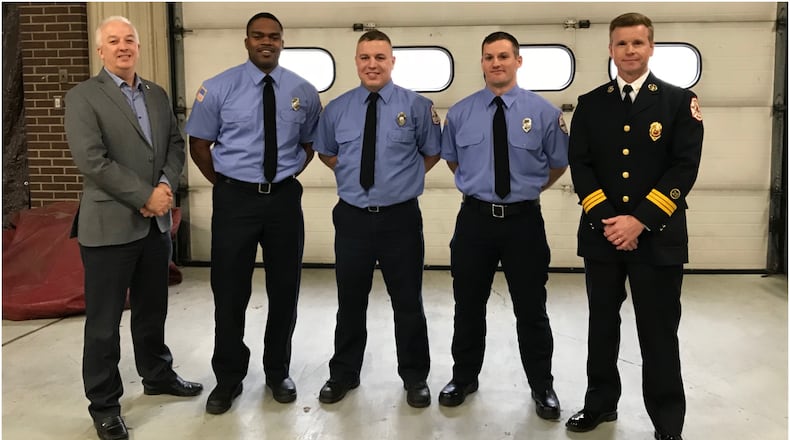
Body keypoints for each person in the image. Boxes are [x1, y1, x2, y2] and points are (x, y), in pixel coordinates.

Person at [564, 12, 703, 440]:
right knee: (602, 327)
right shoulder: (590, 103)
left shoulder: (679, 102)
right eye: (621, 44)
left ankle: (667, 423)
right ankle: (600, 404)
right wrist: (611, 221)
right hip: (603, 236)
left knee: (659, 333)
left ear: (651, 48)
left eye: (637, 44)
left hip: (657, 239)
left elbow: (684, 168)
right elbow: (581, 165)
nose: (629, 51)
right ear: (610, 49)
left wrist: (639, 221)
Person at [64, 15, 202, 440]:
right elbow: (92, 161)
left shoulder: (157, 95)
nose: (123, 47)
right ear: (100, 50)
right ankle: (104, 405)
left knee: (152, 310)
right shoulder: (84, 97)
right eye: (113, 41)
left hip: (154, 226)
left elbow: (175, 146)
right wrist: (145, 195)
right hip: (109, 226)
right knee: (104, 323)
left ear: (138, 47)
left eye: (129, 40)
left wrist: (163, 185)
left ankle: (157, 374)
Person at [185, 12, 321, 415]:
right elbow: (199, 146)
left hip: (282, 200)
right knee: (229, 292)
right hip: (234, 201)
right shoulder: (218, 89)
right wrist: (227, 185)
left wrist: (285, 175)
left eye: (274, 37)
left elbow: (310, 144)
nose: (267, 42)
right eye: (259, 36)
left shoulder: (304, 91)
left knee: (285, 290)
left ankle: (278, 370)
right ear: (246, 41)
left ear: (283, 42)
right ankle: (228, 378)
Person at [438, 31, 568, 419]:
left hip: (523, 223)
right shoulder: (460, 113)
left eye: (504, 56)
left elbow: (558, 164)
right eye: (489, 57)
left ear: (518, 61)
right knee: (468, 306)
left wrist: (523, 193)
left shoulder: (544, 113)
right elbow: (453, 160)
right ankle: (463, 378)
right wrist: (486, 191)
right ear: (481, 63)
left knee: (531, 308)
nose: (496, 63)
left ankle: (542, 385)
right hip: (475, 221)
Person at [312, 30, 441, 408]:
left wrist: (400, 180)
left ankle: (415, 377)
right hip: (352, 219)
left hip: (400, 219)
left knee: (408, 301)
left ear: (392, 61)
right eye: (365, 57)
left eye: (380, 57)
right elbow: (327, 153)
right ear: (356, 62)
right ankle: (344, 373)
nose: (372, 64)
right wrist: (355, 174)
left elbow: (430, 152)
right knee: (350, 300)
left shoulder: (417, 106)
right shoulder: (337, 108)